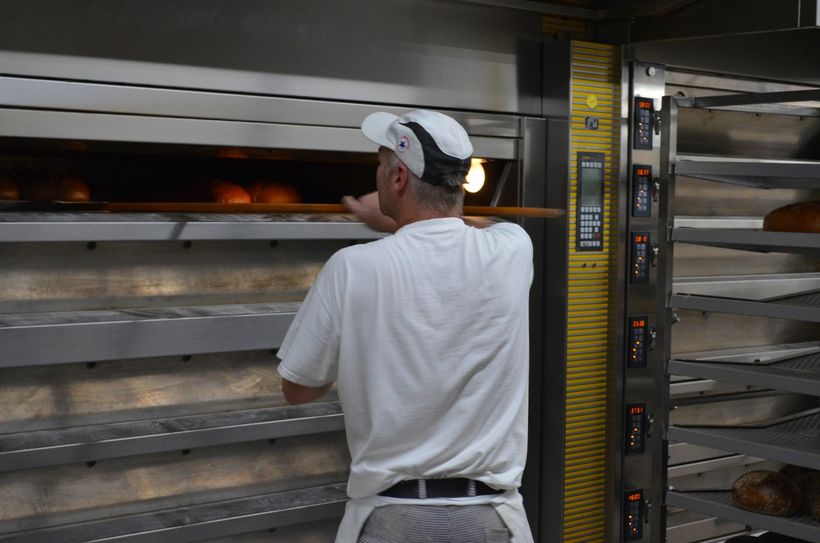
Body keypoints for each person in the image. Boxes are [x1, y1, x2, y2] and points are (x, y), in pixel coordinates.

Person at [277, 110, 534, 543]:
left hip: (392, 522)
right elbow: (481, 227)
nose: (377, 175)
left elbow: (298, 389)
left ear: (398, 178)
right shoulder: (514, 250)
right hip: (492, 522)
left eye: (381, 165)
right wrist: (398, 220)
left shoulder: (352, 267)